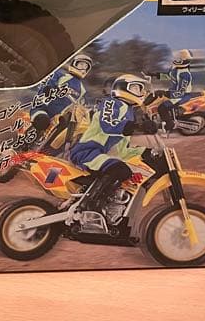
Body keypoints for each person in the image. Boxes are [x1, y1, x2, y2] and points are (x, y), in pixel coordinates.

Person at [69, 75, 161, 218]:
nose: (141, 92)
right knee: (120, 169)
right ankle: (90, 206)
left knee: (128, 168)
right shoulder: (111, 102)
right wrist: (138, 126)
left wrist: (144, 152)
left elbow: (121, 150)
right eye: (137, 88)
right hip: (86, 151)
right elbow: (108, 126)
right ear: (123, 87)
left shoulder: (128, 113)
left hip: (97, 153)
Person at [29, 52, 93, 138]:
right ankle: (26, 138)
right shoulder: (60, 74)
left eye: (85, 67)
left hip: (58, 117)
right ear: (74, 64)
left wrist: (87, 110)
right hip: (43, 108)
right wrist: (49, 88)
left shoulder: (82, 90)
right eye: (81, 65)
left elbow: (83, 105)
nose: (83, 68)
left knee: (64, 129)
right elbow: (47, 84)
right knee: (42, 121)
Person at [151, 50, 200, 131]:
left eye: (180, 58)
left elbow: (181, 92)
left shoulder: (185, 74)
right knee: (155, 98)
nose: (177, 59)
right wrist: (155, 75)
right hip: (173, 91)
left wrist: (166, 93)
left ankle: (170, 124)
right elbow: (168, 76)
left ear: (185, 60)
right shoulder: (175, 68)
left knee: (162, 108)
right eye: (178, 58)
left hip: (181, 96)